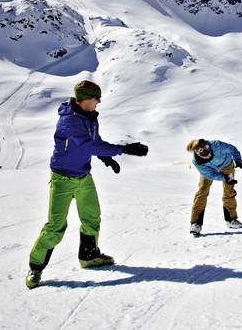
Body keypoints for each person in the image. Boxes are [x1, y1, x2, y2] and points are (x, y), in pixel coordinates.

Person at [25, 80, 149, 289]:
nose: (99, 101)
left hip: (84, 175)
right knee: (55, 226)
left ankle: (89, 256)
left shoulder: (90, 118)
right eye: (96, 98)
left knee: (92, 217)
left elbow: (95, 140)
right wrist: (124, 149)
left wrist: (105, 158)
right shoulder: (69, 121)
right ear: (83, 100)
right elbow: (87, 144)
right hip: (62, 179)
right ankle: (35, 268)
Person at [187, 138, 242, 236]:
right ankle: (196, 223)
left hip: (227, 165)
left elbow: (232, 149)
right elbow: (210, 175)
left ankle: (231, 220)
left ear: (209, 149)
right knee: (202, 192)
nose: (209, 157)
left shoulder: (217, 145)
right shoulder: (197, 162)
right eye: (206, 158)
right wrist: (224, 177)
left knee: (229, 191)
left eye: (209, 154)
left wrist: (238, 160)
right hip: (209, 170)